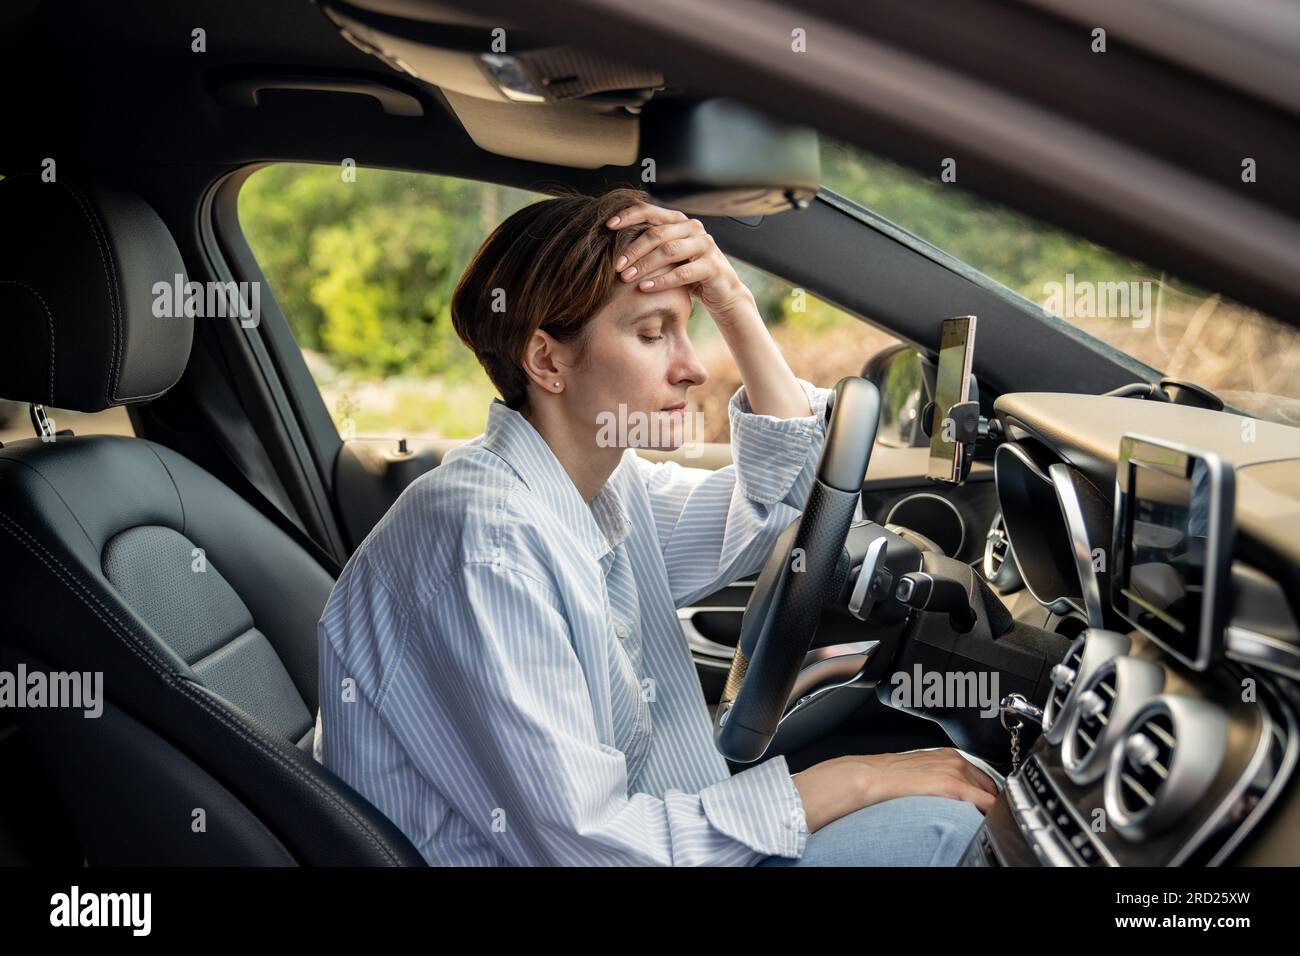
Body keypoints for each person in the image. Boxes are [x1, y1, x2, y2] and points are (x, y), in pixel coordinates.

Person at [314, 186, 996, 866]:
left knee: (953, 805)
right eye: (651, 334)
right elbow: (588, 850)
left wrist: (733, 303)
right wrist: (851, 780)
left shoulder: (605, 486)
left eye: (688, 329)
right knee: (952, 829)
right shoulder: (485, 547)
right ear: (547, 361)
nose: (694, 368)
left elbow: (785, 503)